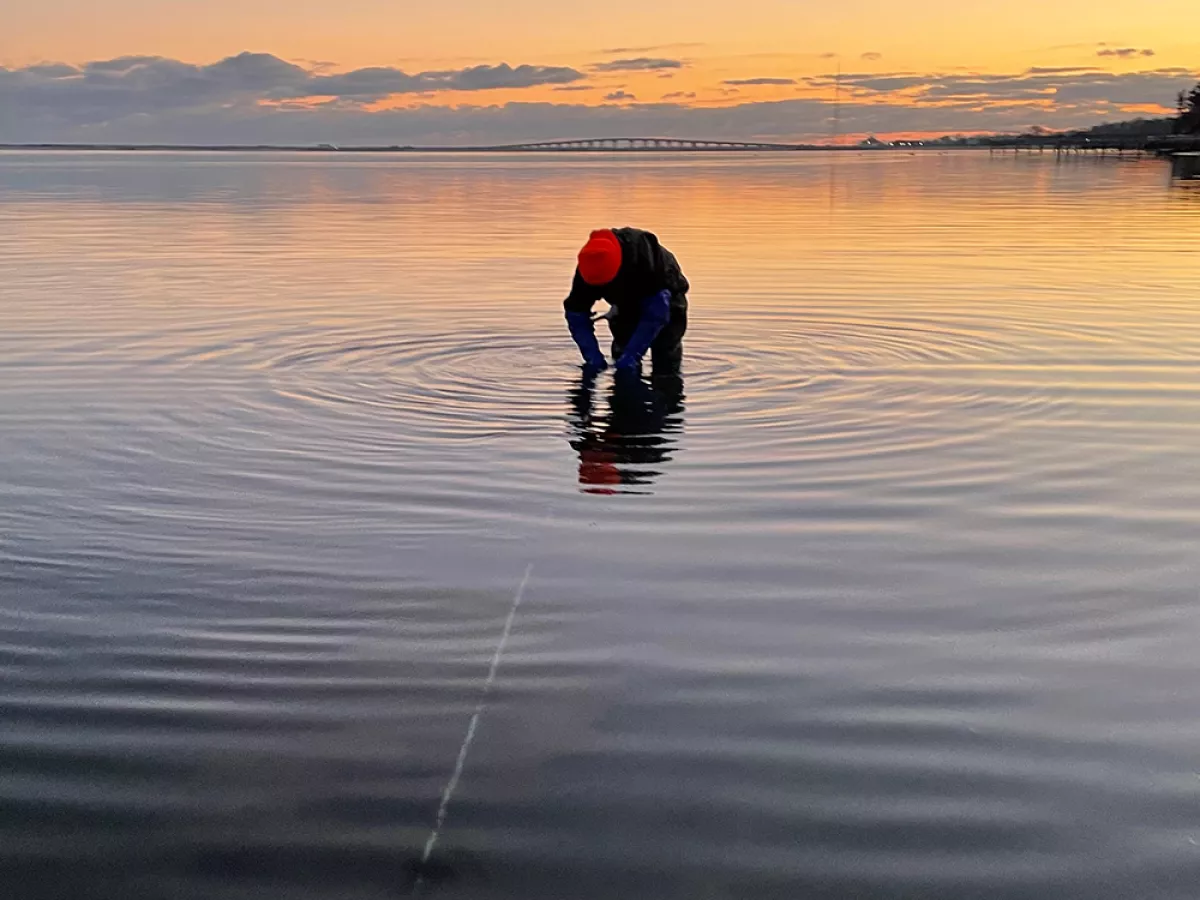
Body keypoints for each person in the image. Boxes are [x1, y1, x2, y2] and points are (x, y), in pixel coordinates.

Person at [563, 227, 689, 374]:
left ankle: (668, 387)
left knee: (665, 351)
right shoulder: (587, 267)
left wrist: (633, 354)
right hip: (623, 302)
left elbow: (657, 312)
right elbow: (576, 313)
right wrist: (592, 355)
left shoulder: (643, 254)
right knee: (621, 351)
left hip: (666, 294)